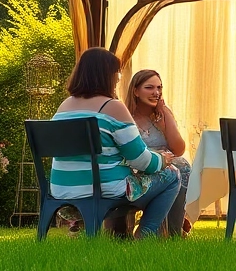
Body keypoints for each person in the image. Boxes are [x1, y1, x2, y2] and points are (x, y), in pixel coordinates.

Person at [50, 47, 180, 237]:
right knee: (172, 175)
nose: (118, 78)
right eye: (116, 73)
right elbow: (141, 161)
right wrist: (163, 159)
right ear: (106, 75)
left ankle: (117, 234)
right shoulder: (112, 107)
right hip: (104, 190)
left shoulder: (64, 107)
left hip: (62, 190)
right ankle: (146, 235)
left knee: (126, 175)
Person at [125, 68, 191, 238]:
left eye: (159, 88)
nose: (156, 93)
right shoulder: (125, 116)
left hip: (165, 164)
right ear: (135, 91)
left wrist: (164, 125)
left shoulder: (163, 112)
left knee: (183, 166)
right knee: (175, 169)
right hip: (139, 166)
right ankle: (145, 229)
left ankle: (173, 231)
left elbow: (178, 150)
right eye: (149, 88)